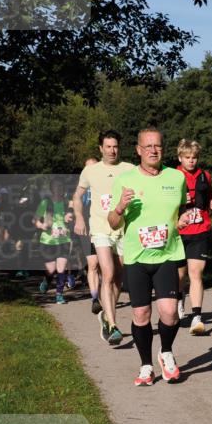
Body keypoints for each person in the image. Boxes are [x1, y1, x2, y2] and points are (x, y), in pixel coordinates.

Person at [108, 128, 193, 387]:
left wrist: (183, 219)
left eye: (157, 146)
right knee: (142, 314)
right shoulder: (125, 180)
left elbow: (182, 209)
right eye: (148, 147)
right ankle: (146, 366)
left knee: (169, 314)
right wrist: (120, 206)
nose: (153, 150)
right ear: (138, 150)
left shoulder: (175, 178)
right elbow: (113, 222)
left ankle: (165, 352)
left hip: (167, 254)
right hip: (136, 258)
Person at [74, 130, 132, 345]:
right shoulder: (91, 171)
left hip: (123, 229)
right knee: (107, 274)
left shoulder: (129, 169)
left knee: (118, 277)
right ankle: (114, 325)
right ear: (100, 149)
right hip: (99, 228)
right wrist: (79, 217)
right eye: (107, 146)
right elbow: (77, 196)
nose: (112, 150)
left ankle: (107, 315)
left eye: (115, 146)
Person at [175, 139, 212, 334]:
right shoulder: (172, 176)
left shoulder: (205, 176)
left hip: (200, 230)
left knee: (196, 273)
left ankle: (197, 318)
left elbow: (210, 199)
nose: (191, 161)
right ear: (180, 158)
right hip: (178, 233)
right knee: (180, 275)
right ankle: (178, 298)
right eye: (187, 157)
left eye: (194, 158)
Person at [35, 178, 73, 304]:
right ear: (51, 189)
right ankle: (46, 281)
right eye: (56, 187)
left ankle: (59, 294)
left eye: (61, 187)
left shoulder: (68, 203)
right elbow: (35, 220)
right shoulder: (45, 203)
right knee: (51, 270)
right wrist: (41, 226)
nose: (59, 189)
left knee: (61, 269)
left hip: (64, 240)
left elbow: (74, 215)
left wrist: (70, 217)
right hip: (48, 241)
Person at [75, 156, 101, 314]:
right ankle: (95, 298)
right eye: (87, 167)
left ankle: (107, 292)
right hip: (88, 229)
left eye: (93, 166)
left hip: (105, 228)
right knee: (93, 264)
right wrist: (75, 216)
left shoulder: (107, 183)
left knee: (107, 268)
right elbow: (74, 202)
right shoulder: (81, 187)